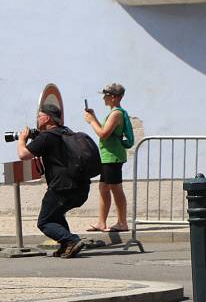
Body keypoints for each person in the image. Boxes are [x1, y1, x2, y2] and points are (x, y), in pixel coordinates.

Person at [16, 103, 89, 259]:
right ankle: (66, 246)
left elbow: (23, 154)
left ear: (47, 118)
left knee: (45, 221)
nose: (37, 119)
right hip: (81, 187)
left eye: (39, 116)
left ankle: (71, 240)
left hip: (61, 187)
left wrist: (22, 139)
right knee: (56, 215)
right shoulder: (67, 132)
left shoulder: (47, 136)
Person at [83, 83, 129, 232]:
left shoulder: (116, 113)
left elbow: (103, 133)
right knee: (103, 187)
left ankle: (122, 222)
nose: (104, 98)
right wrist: (94, 117)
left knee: (116, 188)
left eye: (106, 95)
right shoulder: (113, 113)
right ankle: (101, 222)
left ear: (114, 97)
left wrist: (91, 121)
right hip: (107, 156)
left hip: (113, 156)